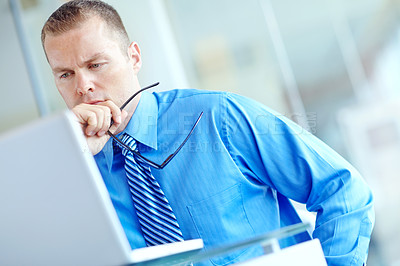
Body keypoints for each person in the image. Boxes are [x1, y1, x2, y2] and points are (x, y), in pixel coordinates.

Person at [41, 0, 374, 265]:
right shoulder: (72, 172)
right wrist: (76, 159)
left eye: (96, 65)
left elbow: (343, 190)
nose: (83, 85)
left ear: (134, 57)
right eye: (65, 75)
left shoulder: (218, 117)